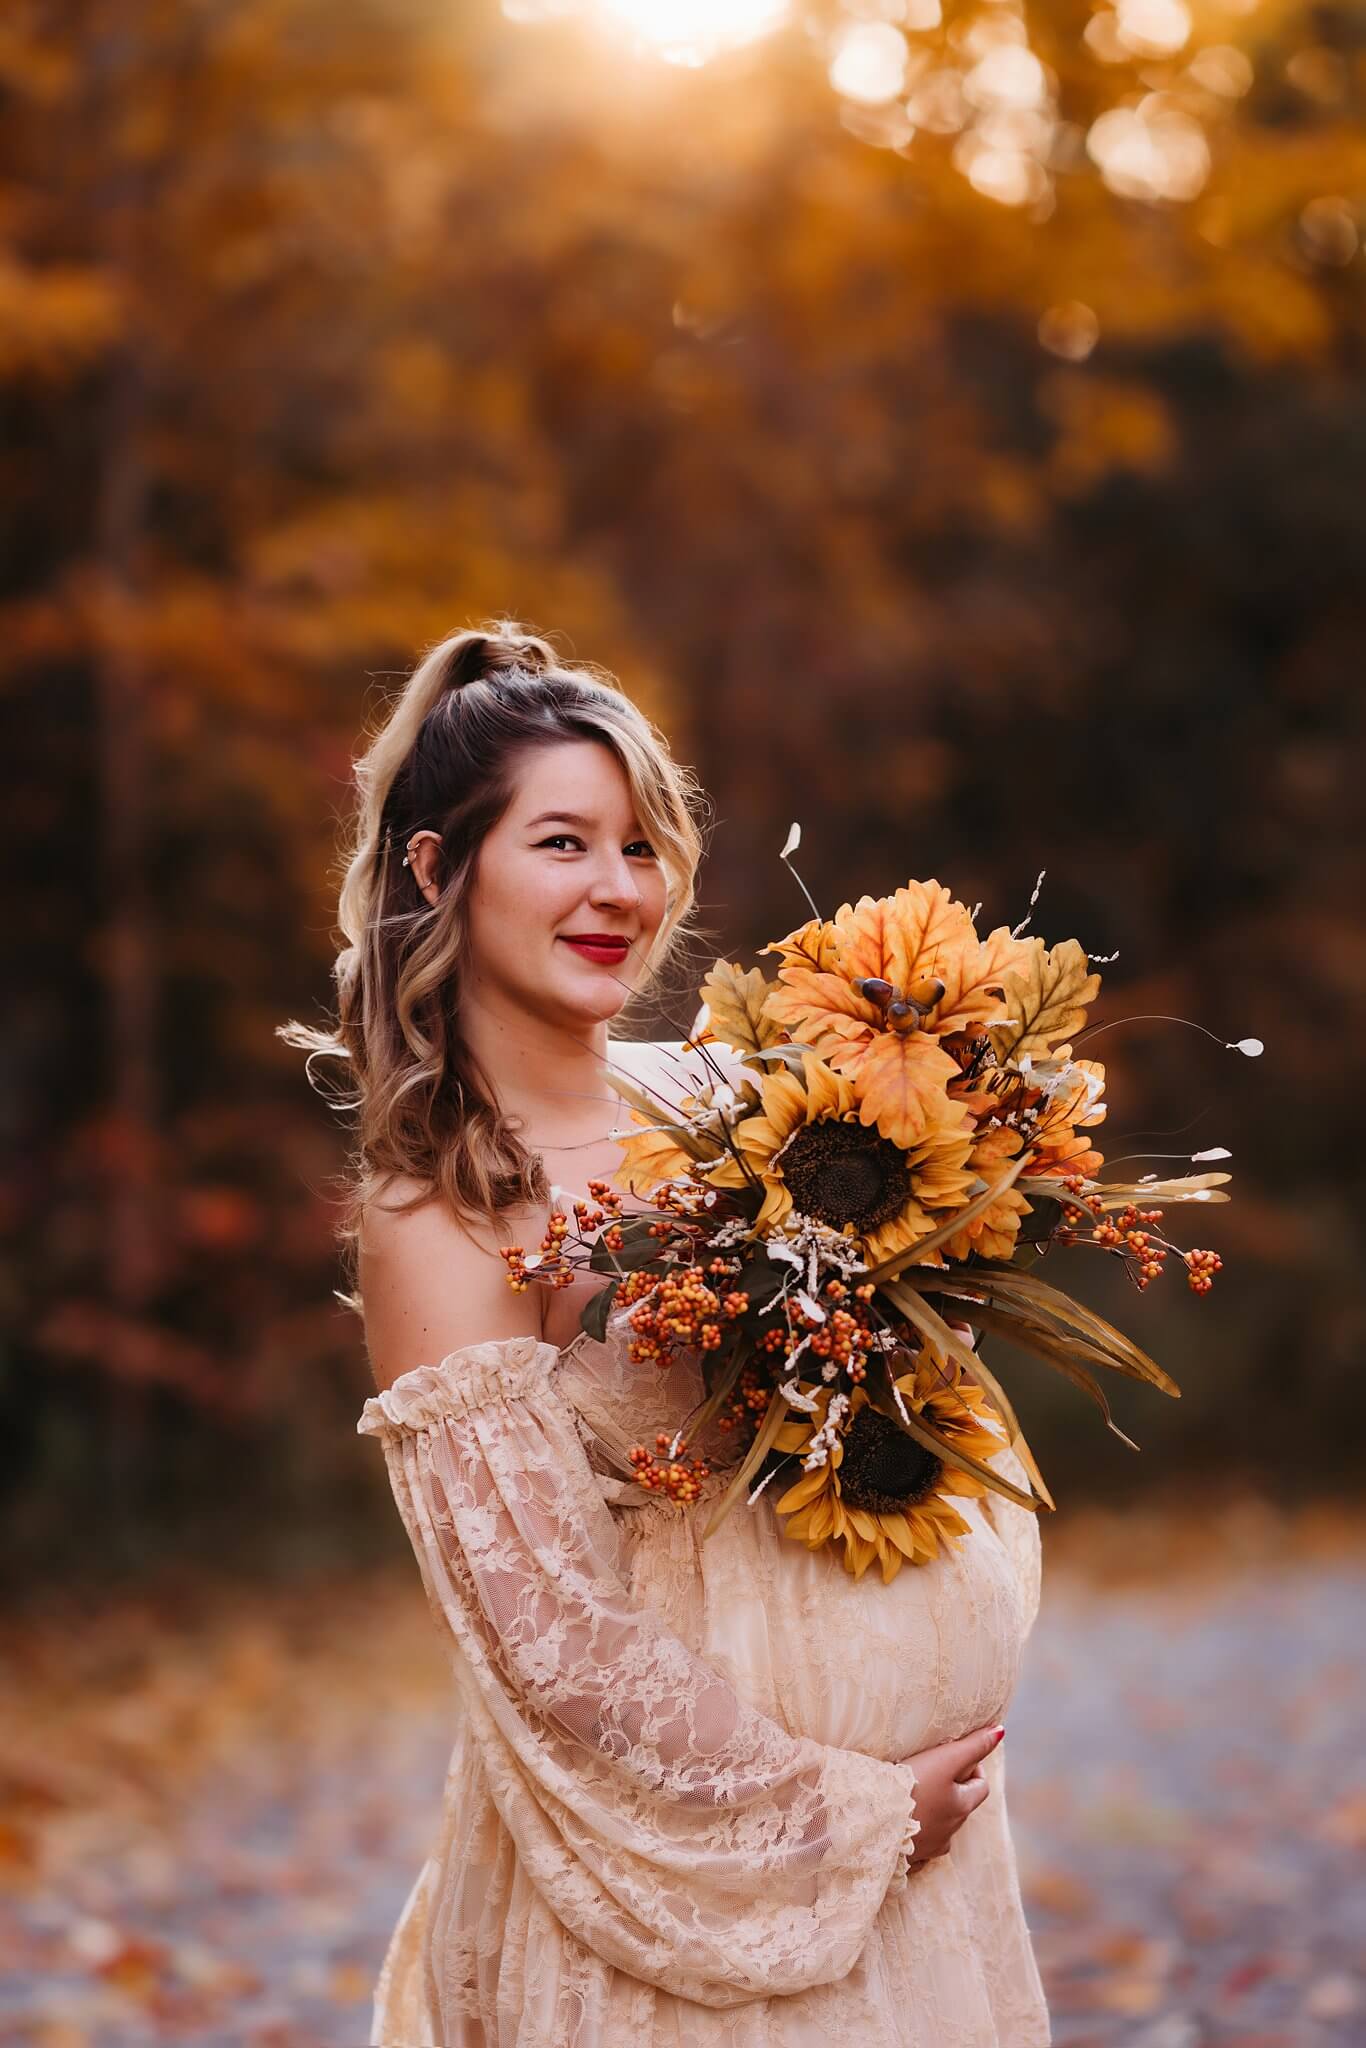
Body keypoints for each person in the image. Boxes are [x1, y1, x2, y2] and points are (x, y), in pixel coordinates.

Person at [286, 623, 1051, 2046]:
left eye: (640, 847)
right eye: (563, 843)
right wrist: (855, 1813)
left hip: (920, 1891)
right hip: (688, 1905)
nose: (616, 890)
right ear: (438, 871)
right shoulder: (446, 1205)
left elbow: (903, 1391)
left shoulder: (725, 1092)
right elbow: (546, 1642)